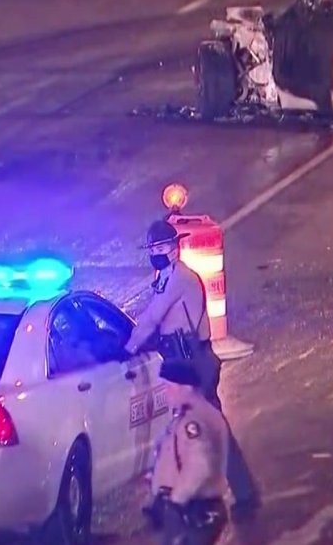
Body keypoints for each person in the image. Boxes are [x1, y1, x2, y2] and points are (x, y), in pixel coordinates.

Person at [126, 219, 262, 516]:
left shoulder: (180, 278)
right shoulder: (166, 276)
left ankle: (244, 493)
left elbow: (152, 318)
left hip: (194, 360)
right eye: (152, 249)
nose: (156, 253)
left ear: (174, 249)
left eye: (160, 247)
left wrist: (126, 348)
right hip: (180, 358)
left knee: (212, 428)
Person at [144, 361, 230, 545]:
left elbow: (200, 466)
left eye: (169, 387)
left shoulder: (194, 420)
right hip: (192, 508)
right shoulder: (189, 415)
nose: (165, 393)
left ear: (186, 387)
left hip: (195, 510)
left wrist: (175, 501)